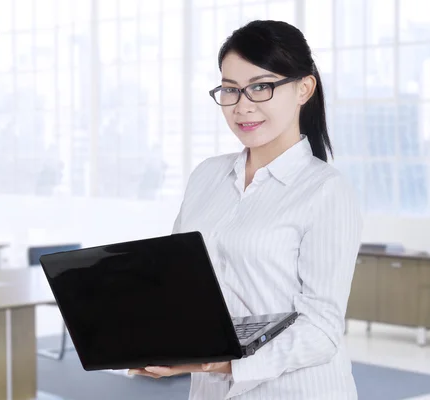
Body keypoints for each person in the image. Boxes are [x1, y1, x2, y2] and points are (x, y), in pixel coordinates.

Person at [128, 20, 362, 400]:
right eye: (231, 90)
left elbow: (322, 329)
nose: (242, 106)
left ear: (304, 88)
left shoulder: (327, 191)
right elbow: (177, 284)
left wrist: (218, 363)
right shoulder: (207, 176)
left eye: (261, 87)